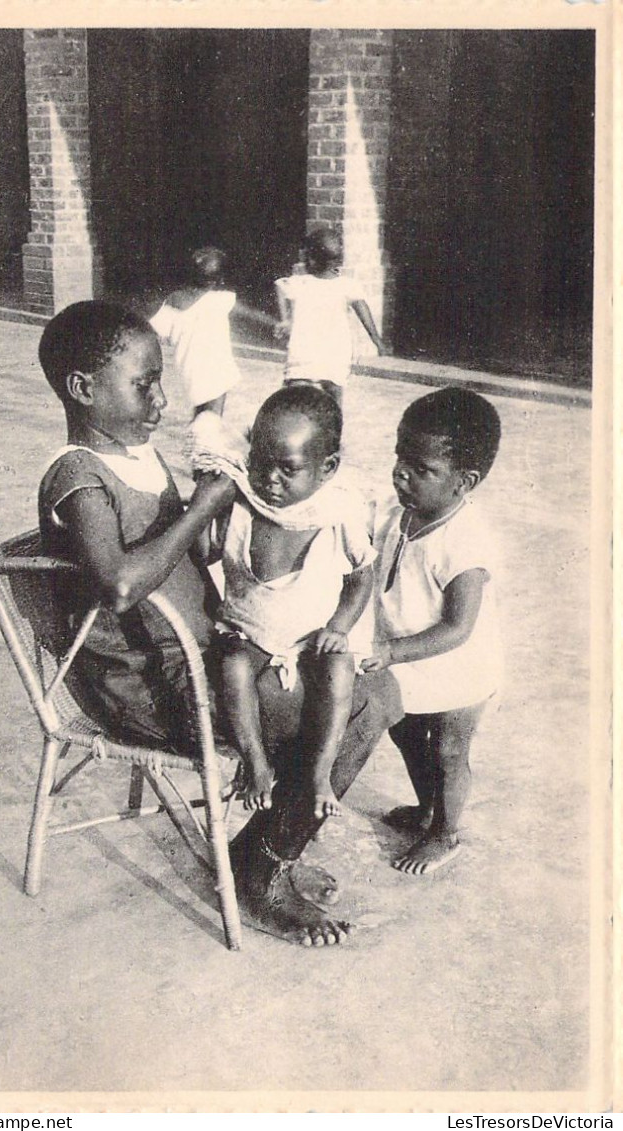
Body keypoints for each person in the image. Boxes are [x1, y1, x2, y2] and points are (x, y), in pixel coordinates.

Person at [37, 300, 404, 946]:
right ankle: (261, 869)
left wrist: (264, 516)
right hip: (152, 686)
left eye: (159, 380)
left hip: (199, 657)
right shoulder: (76, 476)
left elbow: (200, 550)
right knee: (368, 701)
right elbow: (120, 583)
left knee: (353, 681)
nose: (160, 398)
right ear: (83, 389)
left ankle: (261, 849)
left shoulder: (137, 455)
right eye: (143, 382)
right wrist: (205, 501)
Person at [204, 384, 375, 820]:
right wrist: (209, 498)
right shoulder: (241, 504)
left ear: (327, 468)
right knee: (234, 665)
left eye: (287, 469)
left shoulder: (339, 513)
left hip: (310, 641)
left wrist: (338, 627)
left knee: (340, 669)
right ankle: (255, 762)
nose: (270, 479)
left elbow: (361, 577)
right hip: (248, 635)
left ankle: (320, 772)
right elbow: (204, 551)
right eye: (260, 463)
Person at [360, 387, 502, 876]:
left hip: (457, 667)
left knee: (447, 748)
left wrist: (391, 650)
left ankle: (445, 832)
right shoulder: (393, 512)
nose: (402, 473)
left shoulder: (466, 541)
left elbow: (458, 627)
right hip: (404, 657)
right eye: (400, 458)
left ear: (465, 482)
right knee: (404, 733)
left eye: (422, 469)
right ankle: (426, 808)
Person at [150, 246, 273, 419]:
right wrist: (275, 323)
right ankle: (203, 443)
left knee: (202, 413)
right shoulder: (221, 299)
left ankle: (200, 437)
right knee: (212, 420)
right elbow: (250, 313)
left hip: (190, 372)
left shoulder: (174, 300)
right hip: (216, 370)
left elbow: (155, 331)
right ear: (219, 279)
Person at [274, 226, 388, 407]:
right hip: (335, 359)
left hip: (302, 358)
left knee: (293, 401)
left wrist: (285, 319)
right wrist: (377, 340)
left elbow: (279, 285)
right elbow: (362, 309)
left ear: (309, 259)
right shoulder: (348, 285)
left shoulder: (298, 283)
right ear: (338, 260)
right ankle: (335, 431)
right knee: (334, 403)